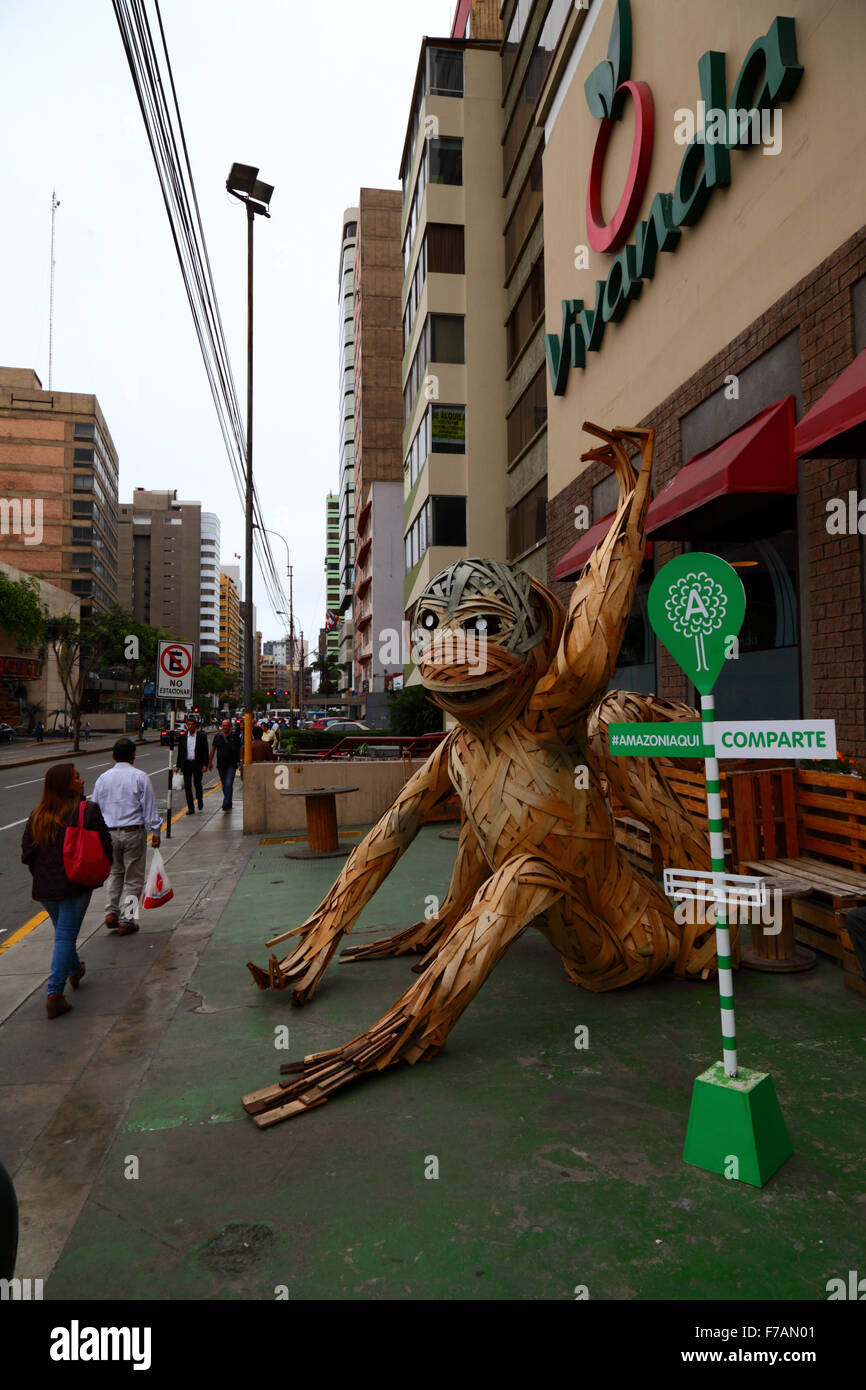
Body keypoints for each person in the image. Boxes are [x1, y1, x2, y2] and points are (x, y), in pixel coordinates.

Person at [20, 763, 113, 1018]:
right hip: (75, 883)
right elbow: (105, 845)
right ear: (65, 785)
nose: (82, 781)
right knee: (64, 937)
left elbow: (27, 853)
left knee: (63, 932)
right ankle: (54, 994)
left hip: (45, 887)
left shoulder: (37, 815)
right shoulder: (86, 810)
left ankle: (75, 970)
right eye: (76, 778)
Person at [92, 738, 161, 936]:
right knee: (133, 879)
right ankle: (127, 919)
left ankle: (111, 912)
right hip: (133, 832)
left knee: (115, 873)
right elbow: (149, 807)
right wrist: (156, 832)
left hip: (109, 833)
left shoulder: (102, 778)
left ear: (113, 756)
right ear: (133, 756)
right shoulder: (140, 777)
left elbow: (94, 808)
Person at [176, 714, 209, 814]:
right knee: (187, 786)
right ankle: (190, 807)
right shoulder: (183, 737)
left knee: (197, 784)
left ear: (195, 726)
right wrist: (177, 766)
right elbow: (180, 753)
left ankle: (199, 800)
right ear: (186, 725)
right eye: (188, 724)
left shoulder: (201, 736)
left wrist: (205, 765)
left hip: (197, 764)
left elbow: (205, 751)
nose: (190, 726)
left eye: (192, 724)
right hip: (187, 764)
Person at [209, 718, 241, 812]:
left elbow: (241, 748)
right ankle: (229, 802)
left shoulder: (235, 736)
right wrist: (210, 762)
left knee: (228, 783)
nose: (225, 727)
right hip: (221, 765)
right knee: (225, 785)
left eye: (227, 725)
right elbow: (213, 750)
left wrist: (241, 760)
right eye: (223, 725)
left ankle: (226, 802)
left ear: (230, 727)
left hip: (231, 764)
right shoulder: (218, 736)